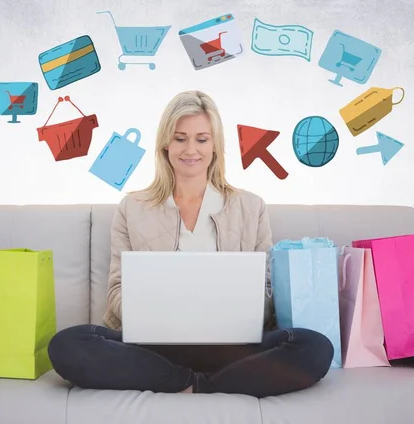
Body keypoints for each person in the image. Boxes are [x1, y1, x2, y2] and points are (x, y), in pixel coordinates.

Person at [47, 90, 334, 398]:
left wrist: (235, 309)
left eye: (202, 139)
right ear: (165, 144)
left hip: (232, 348)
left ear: (215, 146)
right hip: (152, 349)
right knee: (67, 344)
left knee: (315, 347)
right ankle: (198, 381)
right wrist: (153, 310)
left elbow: (266, 292)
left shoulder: (251, 207)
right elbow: (116, 291)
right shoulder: (132, 207)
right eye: (180, 138)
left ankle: (194, 384)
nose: (190, 149)